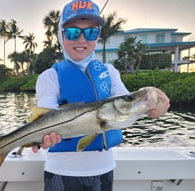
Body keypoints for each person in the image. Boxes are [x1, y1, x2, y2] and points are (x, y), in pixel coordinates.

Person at [33, 0, 170, 191]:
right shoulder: (50, 76)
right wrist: (40, 138)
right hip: (61, 172)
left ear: (98, 36)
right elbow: (44, 117)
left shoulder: (109, 72)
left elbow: (127, 104)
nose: (82, 40)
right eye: (73, 32)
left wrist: (154, 102)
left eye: (91, 32)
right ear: (61, 35)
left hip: (104, 170)